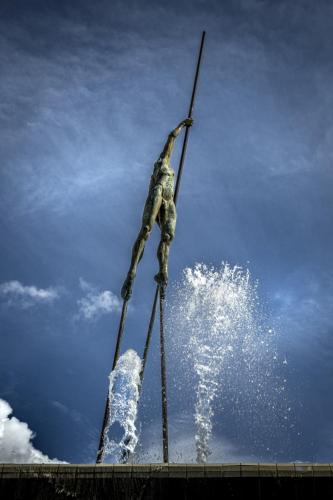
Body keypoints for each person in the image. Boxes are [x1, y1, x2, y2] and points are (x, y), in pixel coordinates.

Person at [121, 118, 193, 301]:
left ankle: (163, 271)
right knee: (146, 229)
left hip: (168, 202)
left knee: (167, 237)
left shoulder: (170, 169)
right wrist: (182, 125)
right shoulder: (161, 163)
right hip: (158, 193)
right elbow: (170, 139)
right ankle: (132, 272)